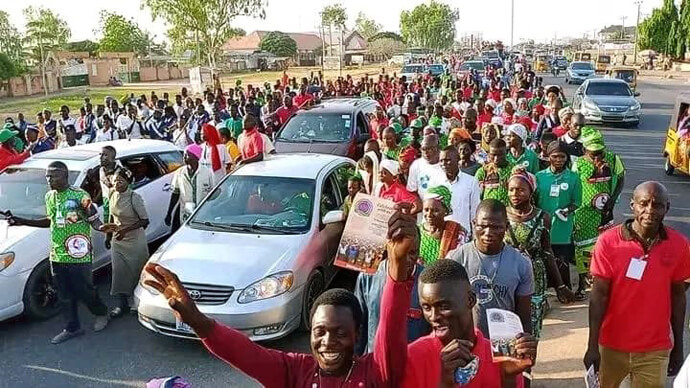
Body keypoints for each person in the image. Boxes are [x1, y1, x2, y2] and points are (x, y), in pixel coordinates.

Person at [142, 206, 418, 387]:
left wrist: (398, 268)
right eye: (320, 332)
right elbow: (245, 352)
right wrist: (196, 319)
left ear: (358, 335)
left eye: (340, 333)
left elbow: (390, 327)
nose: (328, 342)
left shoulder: (376, 373)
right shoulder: (295, 372)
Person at [584, 182, 690, 387]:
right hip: (611, 346)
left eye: (657, 205)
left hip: (655, 349)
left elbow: (678, 297)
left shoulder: (679, 245)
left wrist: (678, 347)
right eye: (644, 203)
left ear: (666, 208)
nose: (650, 210)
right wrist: (592, 345)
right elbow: (598, 296)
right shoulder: (608, 242)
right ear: (632, 205)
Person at [6, 161, 109, 344]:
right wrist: (22, 221)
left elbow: (94, 220)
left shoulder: (80, 196)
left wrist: (105, 228)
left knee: (85, 290)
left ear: (65, 176)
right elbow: (50, 221)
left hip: (79, 253)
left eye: (53, 175)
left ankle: (101, 313)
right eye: (47, 176)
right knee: (64, 294)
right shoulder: (50, 197)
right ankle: (72, 328)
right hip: (57, 253)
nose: (49, 179)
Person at [404, 259, 538, 388]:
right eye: (427, 308)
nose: (433, 317)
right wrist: (445, 383)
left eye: (444, 306)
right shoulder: (413, 357)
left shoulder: (500, 357)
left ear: (470, 300)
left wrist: (508, 378)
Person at [505, 168, 575, 339]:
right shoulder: (502, 215)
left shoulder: (542, 217)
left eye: (521, 190)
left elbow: (547, 252)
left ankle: (528, 360)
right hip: (507, 273)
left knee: (532, 323)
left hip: (535, 275)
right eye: (512, 189)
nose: (515, 194)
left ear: (531, 191)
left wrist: (560, 285)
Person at [446, 199, 534, 336]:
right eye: (483, 226)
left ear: (506, 226)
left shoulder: (521, 263)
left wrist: (527, 349)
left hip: (505, 344)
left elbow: (524, 316)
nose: (488, 232)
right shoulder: (456, 259)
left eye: (496, 227)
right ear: (474, 224)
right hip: (466, 343)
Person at [355, 225, 429, 355]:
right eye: (400, 252)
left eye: (412, 253)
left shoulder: (428, 282)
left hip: (414, 365)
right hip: (376, 364)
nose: (406, 259)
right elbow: (359, 327)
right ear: (389, 248)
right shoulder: (368, 277)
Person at [572, 128, 625, 299]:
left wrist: (613, 198)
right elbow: (574, 186)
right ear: (584, 150)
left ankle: (603, 282)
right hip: (583, 214)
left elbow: (621, 178)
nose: (597, 158)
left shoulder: (613, 159)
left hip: (604, 213)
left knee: (605, 247)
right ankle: (581, 284)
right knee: (582, 249)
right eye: (592, 154)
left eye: (600, 153)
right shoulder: (578, 164)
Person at [535, 142, 583, 298]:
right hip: (543, 226)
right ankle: (543, 292)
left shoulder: (573, 178)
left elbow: (577, 202)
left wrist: (566, 210)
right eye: (555, 156)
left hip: (563, 226)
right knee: (543, 259)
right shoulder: (540, 177)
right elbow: (534, 201)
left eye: (562, 157)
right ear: (549, 157)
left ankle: (564, 291)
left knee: (562, 260)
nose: (558, 160)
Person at [103, 168, 149, 318]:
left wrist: (125, 230)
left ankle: (137, 304)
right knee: (119, 273)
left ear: (128, 182)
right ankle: (121, 304)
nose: (117, 183)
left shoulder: (134, 197)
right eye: (115, 180)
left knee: (136, 271)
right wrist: (108, 235)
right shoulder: (112, 194)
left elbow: (144, 220)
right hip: (118, 239)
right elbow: (111, 216)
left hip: (134, 240)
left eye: (120, 181)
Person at [165, 144, 215, 226]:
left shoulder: (207, 173)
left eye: (187, 155)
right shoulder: (180, 173)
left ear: (195, 157)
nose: (184, 157)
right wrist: (169, 213)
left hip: (204, 213)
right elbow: (175, 194)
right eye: (184, 154)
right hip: (186, 213)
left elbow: (213, 194)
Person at [435, 146, 480, 235]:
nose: (444, 163)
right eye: (441, 161)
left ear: (457, 159)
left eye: (448, 160)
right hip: (440, 234)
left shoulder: (471, 182)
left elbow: (474, 212)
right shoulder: (435, 182)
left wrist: (474, 235)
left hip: (462, 234)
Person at [418, 186, 468, 265]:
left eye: (435, 210)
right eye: (426, 210)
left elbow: (463, 261)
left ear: (446, 211)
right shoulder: (416, 232)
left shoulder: (458, 232)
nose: (429, 214)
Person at [406, 134, 445, 202]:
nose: (426, 152)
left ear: (438, 148)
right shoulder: (416, 165)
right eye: (423, 149)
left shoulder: (447, 164)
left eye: (430, 149)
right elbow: (412, 190)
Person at [475, 138, 514, 206]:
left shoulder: (514, 170)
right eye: (493, 155)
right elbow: (474, 193)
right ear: (489, 154)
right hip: (488, 210)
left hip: (508, 211)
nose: (496, 159)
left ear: (506, 152)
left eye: (500, 155)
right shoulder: (483, 171)